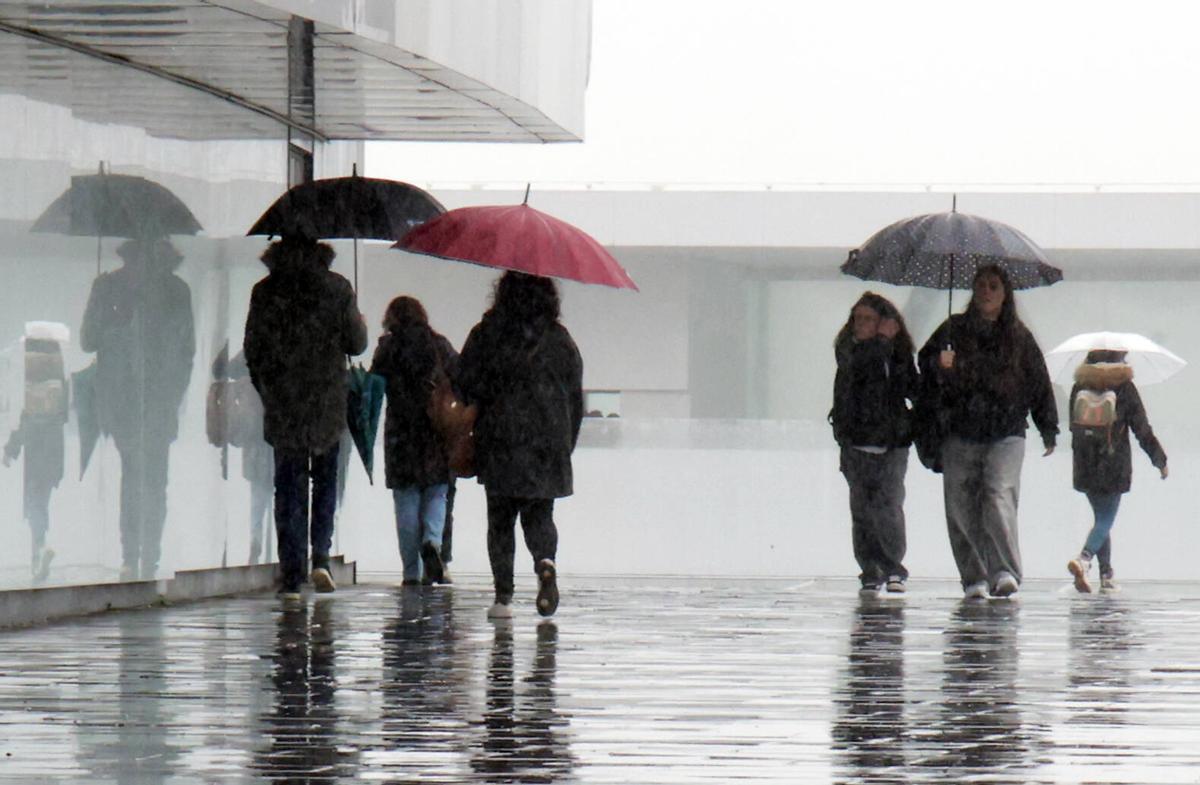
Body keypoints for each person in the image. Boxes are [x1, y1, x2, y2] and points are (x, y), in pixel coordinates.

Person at [917, 264, 1058, 599]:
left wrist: (1048, 427)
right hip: (961, 430)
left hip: (1005, 431)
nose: (986, 291)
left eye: (994, 286)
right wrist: (941, 363)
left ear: (1005, 293)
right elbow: (925, 363)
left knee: (997, 495)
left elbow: (1038, 382)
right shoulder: (953, 329)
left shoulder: (1019, 336)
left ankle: (1005, 570)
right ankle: (974, 576)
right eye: (981, 285)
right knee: (961, 505)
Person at [244, 236, 367, 598]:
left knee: (289, 486)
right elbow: (356, 344)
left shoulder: (265, 291)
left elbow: (254, 349)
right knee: (326, 481)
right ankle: (321, 558)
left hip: (284, 401)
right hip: (327, 398)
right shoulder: (337, 287)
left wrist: (268, 389)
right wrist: (356, 322)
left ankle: (292, 572)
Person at [457, 271, 583, 619]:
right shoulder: (560, 339)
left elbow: (464, 382)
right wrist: (564, 443)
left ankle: (503, 598)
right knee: (539, 513)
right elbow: (575, 396)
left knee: (500, 518)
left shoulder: (487, 333)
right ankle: (545, 561)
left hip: (500, 437)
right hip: (547, 440)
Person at [80, 238, 194, 581]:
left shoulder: (118, 287)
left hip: (137, 398)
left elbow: (184, 350)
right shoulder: (164, 290)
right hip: (134, 399)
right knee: (147, 477)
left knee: (139, 476)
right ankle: (140, 555)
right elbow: (89, 339)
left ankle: (139, 555)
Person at [829, 292, 918, 595]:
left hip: (891, 442)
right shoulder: (849, 350)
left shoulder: (897, 352)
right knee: (862, 509)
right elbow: (859, 373)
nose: (861, 324)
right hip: (856, 441)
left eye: (868, 319)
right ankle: (870, 568)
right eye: (858, 318)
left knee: (889, 505)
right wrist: (879, 343)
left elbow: (910, 388)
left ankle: (893, 565)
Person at [370, 295, 458, 586]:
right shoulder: (439, 345)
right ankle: (433, 542)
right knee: (437, 493)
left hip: (401, 434)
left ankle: (411, 571)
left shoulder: (388, 348)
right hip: (435, 431)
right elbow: (461, 377)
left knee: (406, 499)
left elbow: (373, 387)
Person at [1066, 349, 1167, 593]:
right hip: (1114, 463)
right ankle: (1085, 559)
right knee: (1105, 520)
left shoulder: (1080, 385)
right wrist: (1159, 459)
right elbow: (1141, 428)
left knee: (1101, 518)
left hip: (1085, 463)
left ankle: (1106, 575)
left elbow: (1073, 425)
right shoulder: (1124, 387)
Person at [3, 322, 70, 583]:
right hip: (54, 451)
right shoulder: (58, 379)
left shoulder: (28, 378)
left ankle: (40, 549)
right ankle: (38, 554)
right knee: (40, 501)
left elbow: (24, 421)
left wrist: (11, 449)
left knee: (34, 502)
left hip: (34, 452)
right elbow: (62, 418)